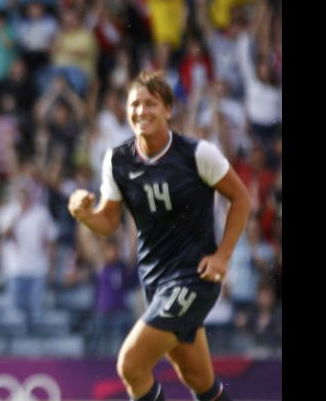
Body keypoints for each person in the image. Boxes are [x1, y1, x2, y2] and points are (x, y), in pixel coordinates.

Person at [68, 71, 250, 401]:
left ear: (168, 109)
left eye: (150, 103)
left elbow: (241, 198)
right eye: (134, 105)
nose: (141, 111)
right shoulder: (117, 161)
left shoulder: (197, 154)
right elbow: (108, 222)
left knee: (131, 365)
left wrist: (223, 254)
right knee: (199, 380)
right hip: (155, 282)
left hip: (194, 278)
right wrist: (83, 215)